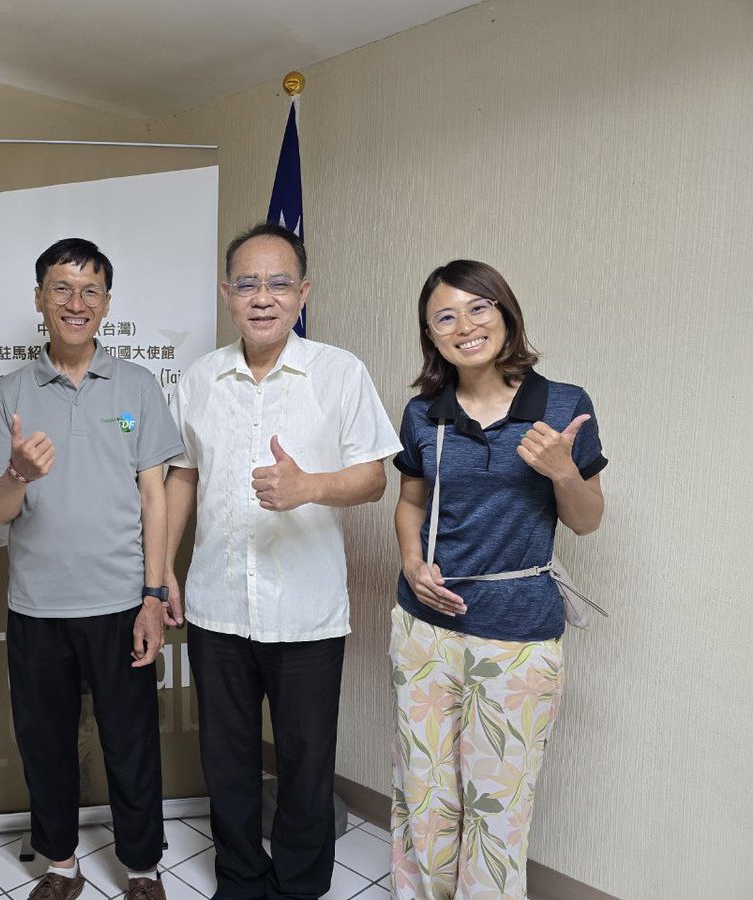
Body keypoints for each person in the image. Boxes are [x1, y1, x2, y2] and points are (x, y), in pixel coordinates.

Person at [163, 222, 401, 900]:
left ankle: (300, 885)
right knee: (228, 760)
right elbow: (182, 475)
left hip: (307, 610)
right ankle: (239, 880)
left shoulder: (339, 372)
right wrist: (165, 573)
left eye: (277, 283)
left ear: (302, 292)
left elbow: (373, 478)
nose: (261, 298)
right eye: (246, 284)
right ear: (226, 293)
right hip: (215, 604)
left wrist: (310, 488)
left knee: (304, 761)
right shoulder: (200, 380)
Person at [0, 238, 184, 900]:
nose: (76, 303)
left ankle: (143, 869)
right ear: (39, 299)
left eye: (90, 291)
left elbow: (155, 495)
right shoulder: (8, 393)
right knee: (46, 747)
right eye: (61, 289)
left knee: (131, 746)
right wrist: (17, 473)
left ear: (107, 304)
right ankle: (61, 865)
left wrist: (153, 595)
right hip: (37, 607)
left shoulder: (138, 386)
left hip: (122, 602)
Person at [389, 260, 606, 899]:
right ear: (432, 335)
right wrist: (411, 562)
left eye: (478, 307)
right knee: (423, 793)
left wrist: (564, 471)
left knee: (497, 806)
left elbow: (588, 521)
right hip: (423, 631)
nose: (465, 325)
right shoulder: (423, 413)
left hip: (518, 636)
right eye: (445, 317)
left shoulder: (562, 404)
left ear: (505, 312)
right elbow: (409, 502)